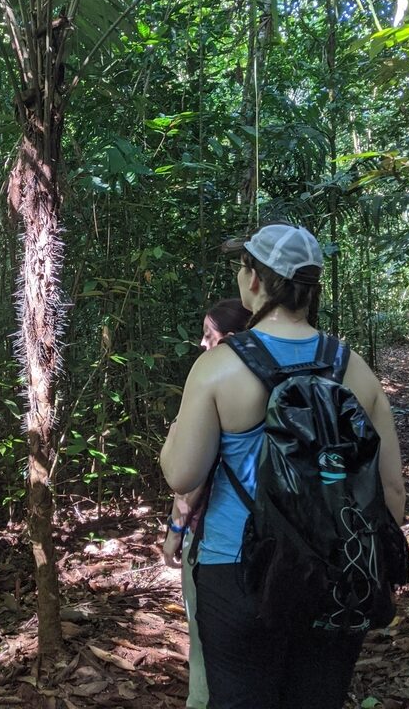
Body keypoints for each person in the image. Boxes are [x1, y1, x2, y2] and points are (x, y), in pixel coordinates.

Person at [159, 223, 405, 709]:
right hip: (337, 572)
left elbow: (182, 476)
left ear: (255, 280)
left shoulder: (218, 367)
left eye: (242, 266)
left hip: (239, 571)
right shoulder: (353, 366)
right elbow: (391, 489)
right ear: (310, 289)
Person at [162, 299, 250, 709]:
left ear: (229, 340)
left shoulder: (215, 380)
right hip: (286, 541)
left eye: (208, 335)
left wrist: (175, 533)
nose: (201, 344)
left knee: (205, 651)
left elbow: (188, 478)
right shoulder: (282, 377)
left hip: (220, 545)